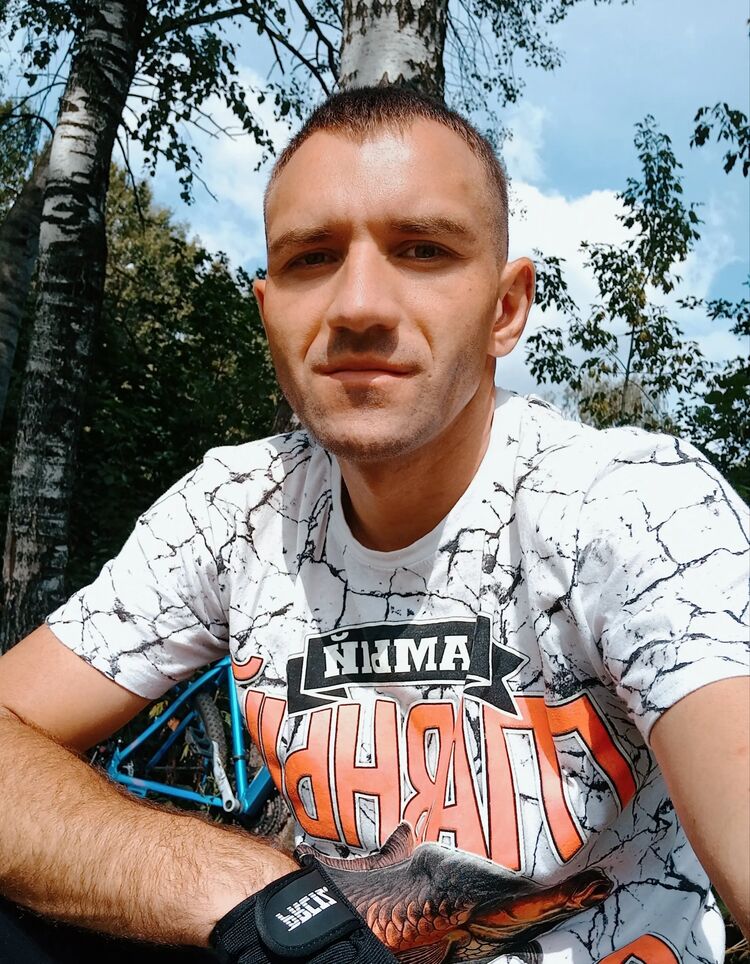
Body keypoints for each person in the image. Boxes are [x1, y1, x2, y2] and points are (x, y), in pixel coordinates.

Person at [0, 86, 747, 964]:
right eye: (313, 257)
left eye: (423, 250)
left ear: (506, 309)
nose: (357, 305)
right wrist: (248, 894)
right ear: (269, 312)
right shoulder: (235, 506)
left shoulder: (636, 506)